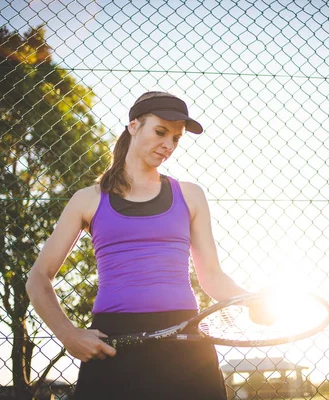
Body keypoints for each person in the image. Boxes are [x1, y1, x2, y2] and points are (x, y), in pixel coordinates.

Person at [26, 91, 251, 399]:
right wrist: (68, 334)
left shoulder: (190, 195)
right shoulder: (87, 199)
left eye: (176, 138)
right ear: (133, 126)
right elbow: (38, 278)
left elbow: (211, 276)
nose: (168, 145)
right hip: (113, 346)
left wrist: (252, 300)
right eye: (161, 132)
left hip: (186, 342)